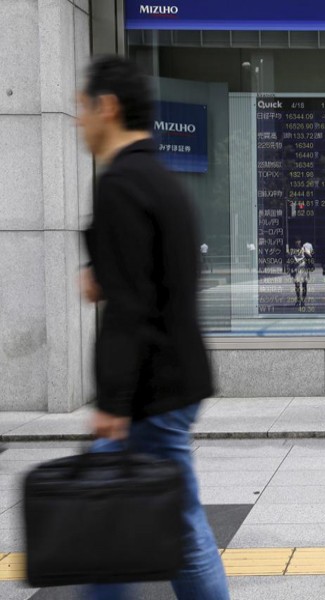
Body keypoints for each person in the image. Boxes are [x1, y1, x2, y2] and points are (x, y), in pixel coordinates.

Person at [77, 55, 229, 600]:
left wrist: (113, 403)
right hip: (174, 378)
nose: (78, 122)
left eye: (82, 109)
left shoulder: (120, 183)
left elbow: (132, 307)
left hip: (150, 388)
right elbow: (159, 277)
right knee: (121, 524)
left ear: (108, 107)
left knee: (177, 530)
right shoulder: (162, 180)